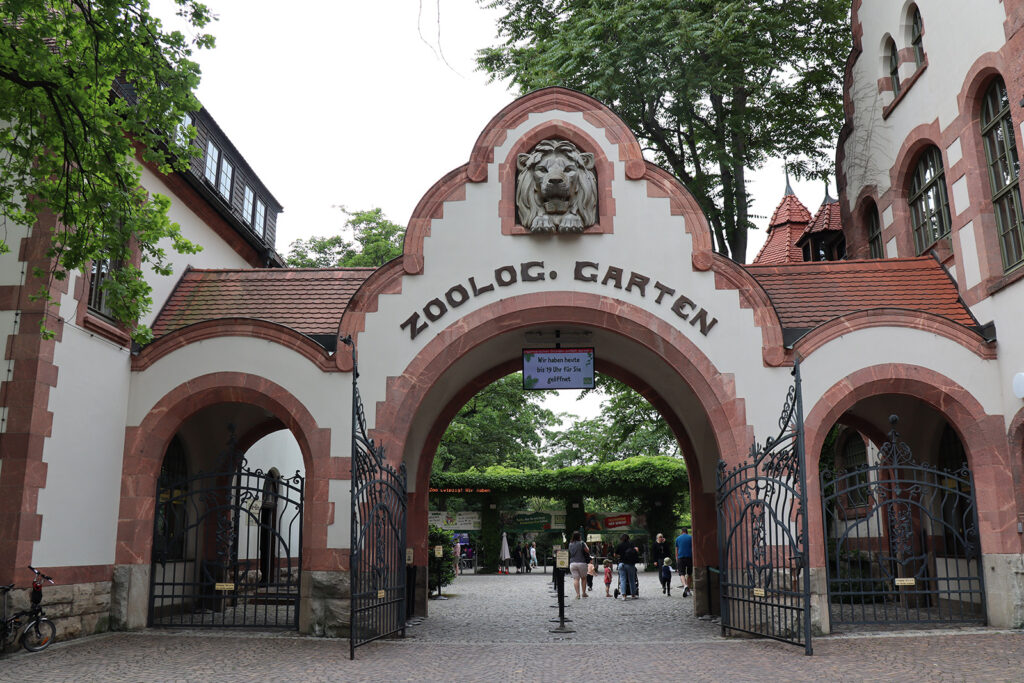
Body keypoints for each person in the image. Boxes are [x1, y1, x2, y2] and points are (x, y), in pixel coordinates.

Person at [615, 533, 640, 599]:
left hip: (621, 564)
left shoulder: (619, 545)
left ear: (621, 539)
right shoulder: (631, 544)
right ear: (628, 538)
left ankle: (624, 595)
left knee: (622, 579)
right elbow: (636, 551)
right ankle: (633, 595)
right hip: (630, 564)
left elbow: (615, 554)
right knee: (631, 579)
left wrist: (620, 556)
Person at [567, 530, 591, 599]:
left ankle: (577, 594)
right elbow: (587, 550)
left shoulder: (570, 544)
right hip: (582, 562)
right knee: (584, 578)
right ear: (579, 536)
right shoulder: (582, 543)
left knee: (576, 579)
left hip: (572, 563)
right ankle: (583, 593)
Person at [675, 526, 693, 596]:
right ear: (687, 532)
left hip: (680, 557)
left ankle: (685, 586)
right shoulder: (691, 538)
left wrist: (676, 559)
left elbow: (676, 550)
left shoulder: (677, 538)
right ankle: (688, 590)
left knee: (681, 573)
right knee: (689, 574)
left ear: (681, 532)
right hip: (689, 557)